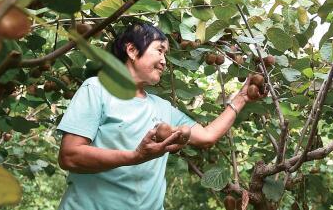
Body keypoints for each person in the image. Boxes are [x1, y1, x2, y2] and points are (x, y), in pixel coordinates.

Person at [57, 22, 257, 210]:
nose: (163, 61)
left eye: (166, 54)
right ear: (132, 50)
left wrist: (242, 98)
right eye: (159, 50)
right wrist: (135, 157)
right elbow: (70, 156)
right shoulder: (97, 89)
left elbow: (207, 137)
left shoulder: (162, 108)